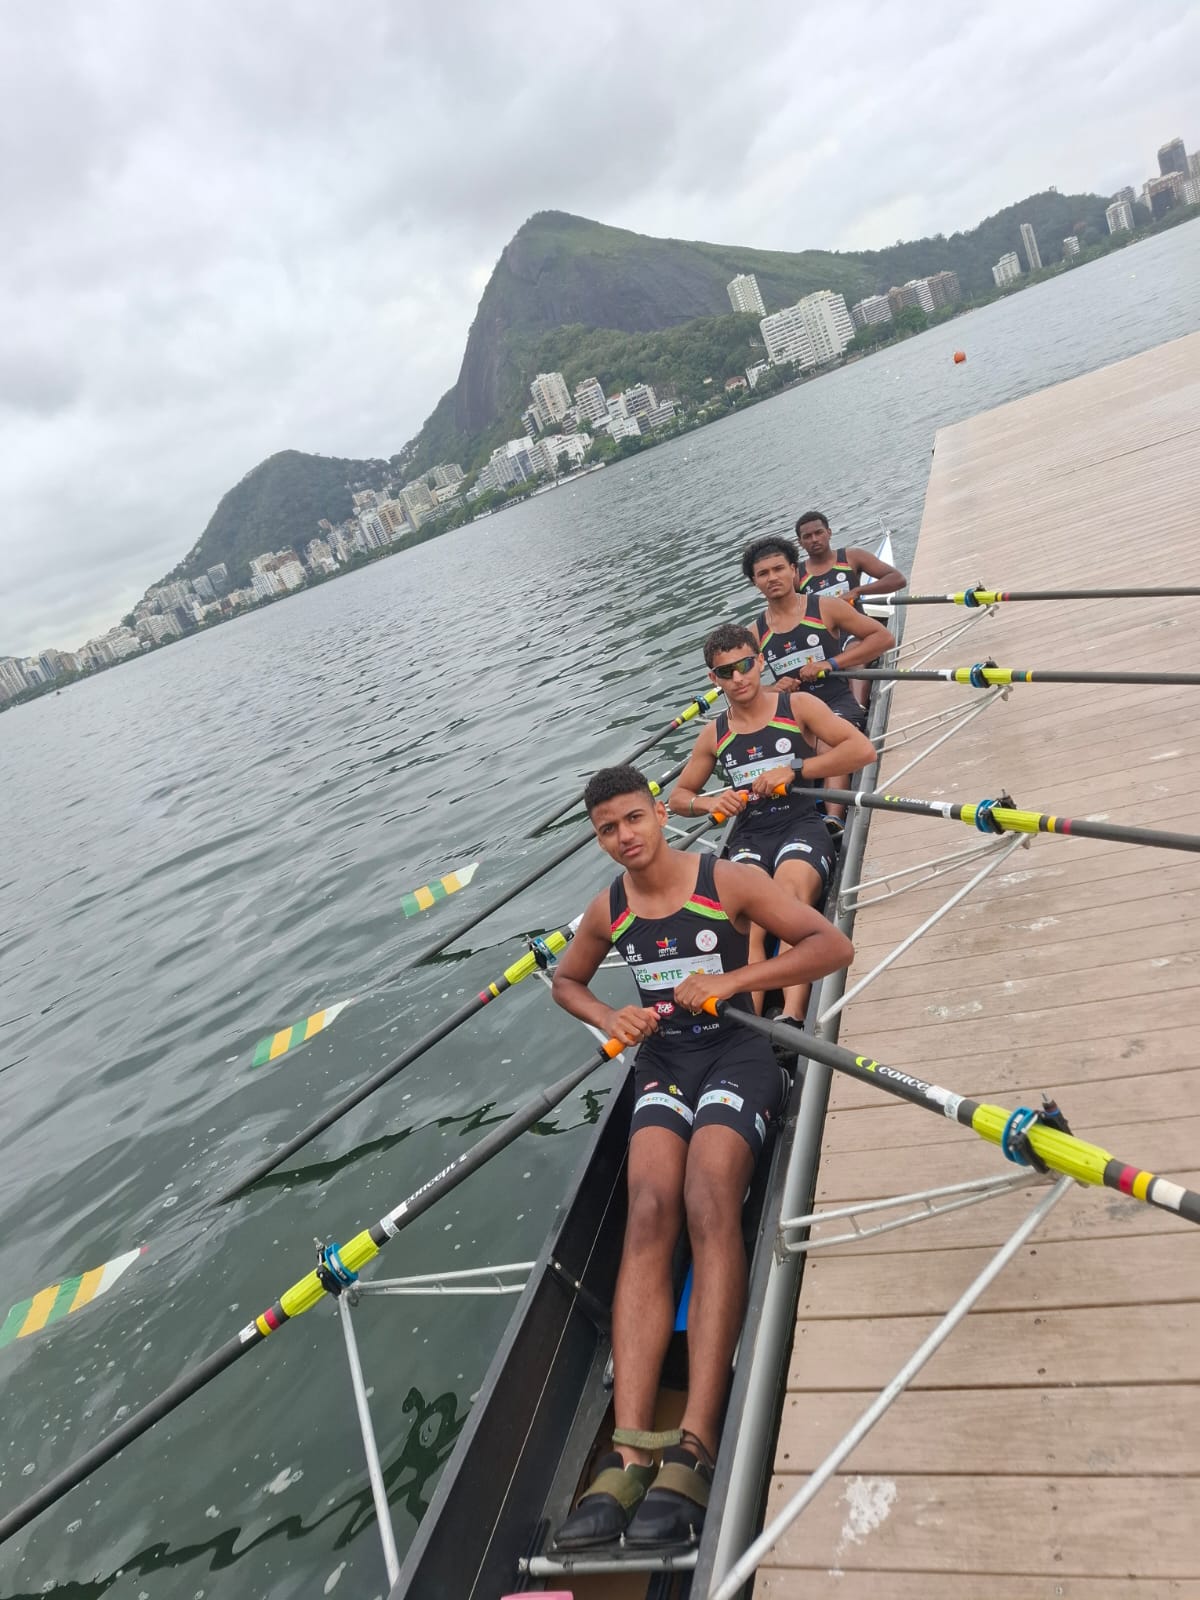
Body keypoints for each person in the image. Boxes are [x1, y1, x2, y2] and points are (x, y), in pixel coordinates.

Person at [550, 764, 853, 1552]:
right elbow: (567, 982)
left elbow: (829, 945)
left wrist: (734, 981)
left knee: (707, 1198)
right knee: (649, 1207)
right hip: (663, 1065)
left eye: (634, 818)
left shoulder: (727, 880)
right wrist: (608, 1015)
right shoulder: (609, 909)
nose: (625, 837)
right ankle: (626, 1456)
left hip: (739, 1054)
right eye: (608, 829)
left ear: (660, 813)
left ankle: (696, 1445)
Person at [670, 622, 875, 1023]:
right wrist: (709, 801)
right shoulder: (713, 735)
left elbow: (861, 750)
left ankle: (792, 1018)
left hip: (801, 825)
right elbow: (679, 798)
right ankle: (753, 1025)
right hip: (749, 837)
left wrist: (796, 770)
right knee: (748, 921)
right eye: (726, 672)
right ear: (714, 679)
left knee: (786, 898)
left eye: (745, 665)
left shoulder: (797, 707)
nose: (738, 678)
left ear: (761, 662)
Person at [742, 534, 893, 816]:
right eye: (763, 574)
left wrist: (831, 664)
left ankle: (834, 820)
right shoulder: (753, 634)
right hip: (791, 715)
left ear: (793, 570)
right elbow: (743, 691)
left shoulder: (826, 607)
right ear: (755, 582)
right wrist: (772, 689)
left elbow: (883, 638)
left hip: (835, 701)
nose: (772, 578)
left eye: (778, 569)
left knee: (828, 744)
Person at [795, 510, 907, 707]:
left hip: (855, 630)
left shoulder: (852, 557)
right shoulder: (796, 575)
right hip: (821, 638)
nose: (814, 539)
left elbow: (897, 579)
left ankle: (858, 708)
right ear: (800, 542)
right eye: (807, 536)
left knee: (854, 654)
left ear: (829, 532)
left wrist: (858, 591)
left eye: (819, 533)